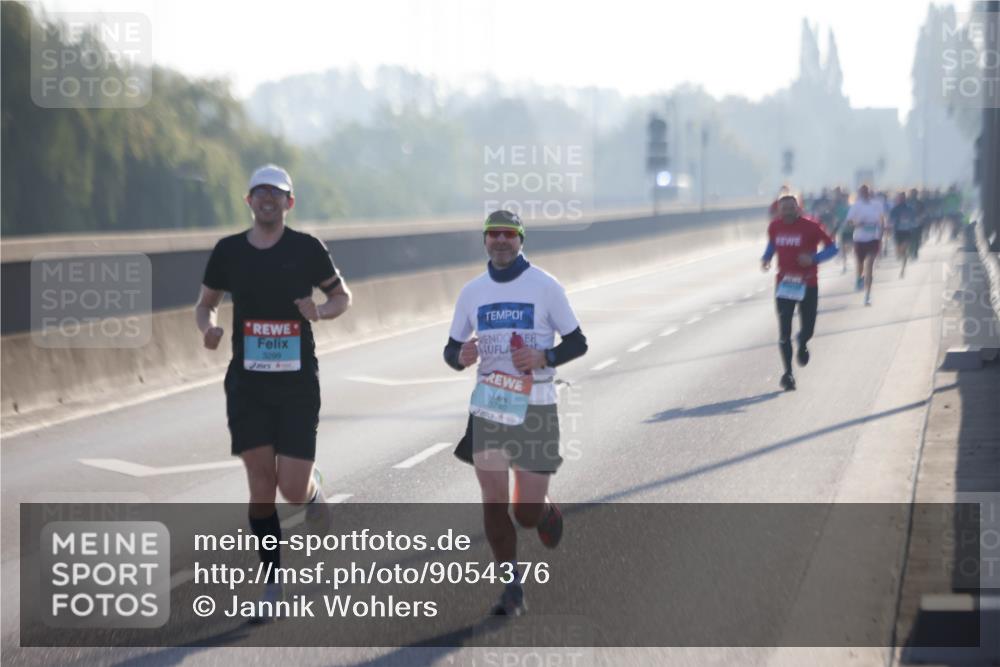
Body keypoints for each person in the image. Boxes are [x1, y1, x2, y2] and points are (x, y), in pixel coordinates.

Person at [195, 164, 352, 621]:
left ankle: (312, 492)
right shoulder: (228, 251)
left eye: (276, 193)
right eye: (259, 192)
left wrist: (320, 311)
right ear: (248, 201)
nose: (267, 199)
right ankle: (272, 582)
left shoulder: (306, 248)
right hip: (248, 385)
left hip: (298, 383)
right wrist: (209, 328)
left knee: (292, 488)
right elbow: (205, 304)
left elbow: (342, 297)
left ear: (290, 202)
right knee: (261, 487)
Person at [443, 210, 588, 616]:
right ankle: (511, 587)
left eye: (509, 234)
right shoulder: (472, 292)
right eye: (494, 235)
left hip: (536, 406)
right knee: (492, 500)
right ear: (485, 241)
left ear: (521, 240)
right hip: (490, 405)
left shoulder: (545, 286)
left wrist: (545, 355)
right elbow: (450, 350)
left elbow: (578, 342)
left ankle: (543, 511)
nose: (501, 241)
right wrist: (462, 355)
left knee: (524, 512)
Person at [761, 194, 838, 391]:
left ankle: (802, 342)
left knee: (808, 328)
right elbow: (772, 244)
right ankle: (788, 373)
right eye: (783, 208)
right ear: (779, 210)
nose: (787, 211)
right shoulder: (775, 227)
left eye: (790, 207)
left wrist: (814, 258)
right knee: (784, 329)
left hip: (808, 283)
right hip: (784, 283)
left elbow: (832, 248)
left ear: (798, 208)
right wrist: (767, 258)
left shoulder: (812, 226)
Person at [846, 184, 884, 306]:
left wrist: (882, 233)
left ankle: (868, 295)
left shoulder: (877, 204)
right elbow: (849, 221)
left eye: (867, 191)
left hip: (873, 238)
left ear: (870, 192)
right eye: (862, 192)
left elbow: (882, 219)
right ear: (860, 193)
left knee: (870, 266)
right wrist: (857, 223)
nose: (865, 193)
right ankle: (859, 278)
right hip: (860, 238)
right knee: (860, 264)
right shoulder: (856, 205)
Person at [889, 191, 917, 278]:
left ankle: (903, 270)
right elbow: (891, 220)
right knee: (899, 251)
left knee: (904, 250)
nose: (902, 199)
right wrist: (894, 223)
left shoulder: (910, 209)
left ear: (905, 198)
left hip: (907, 231)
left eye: (903, 197)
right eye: (900, 198)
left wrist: (912, 223)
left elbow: (913, 219)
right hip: (898, 232)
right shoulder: (894, 209)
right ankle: (902, 256)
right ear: (898, 199)